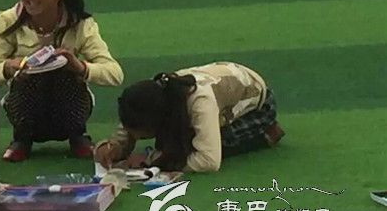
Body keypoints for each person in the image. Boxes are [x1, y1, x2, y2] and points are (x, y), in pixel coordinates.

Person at [0, 0, 123, 162]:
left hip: (71, 109)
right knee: (25, 79)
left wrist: (80, 68)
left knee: (66, 72)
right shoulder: (7, 20)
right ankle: (22, 139)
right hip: (24, 108)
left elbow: (115, 74)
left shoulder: (81, 23)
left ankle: (77, 136)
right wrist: (8, 68)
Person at [94, 62, 284, 173]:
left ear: (158, 122)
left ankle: (266, 133)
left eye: (140, 134)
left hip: (257, 106)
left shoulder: (200, 101)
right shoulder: (152, 96)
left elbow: (209, 161)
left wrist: (154, 161)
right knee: (179, 142)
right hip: (225, 85)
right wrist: (113, 147)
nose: (135, 137)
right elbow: (129, 126)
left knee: (203, 144)